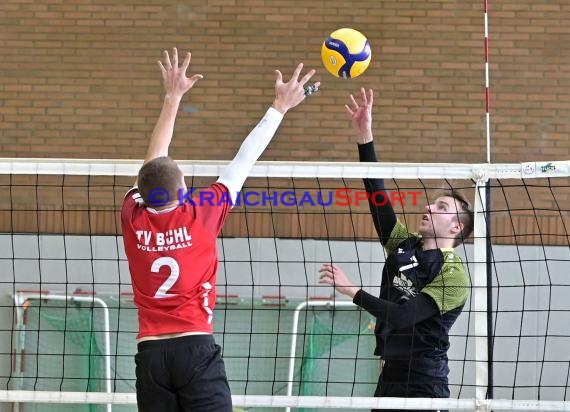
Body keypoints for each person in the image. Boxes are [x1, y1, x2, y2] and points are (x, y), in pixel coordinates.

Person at [121, 47, 319, 412]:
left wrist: (172, 97)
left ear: (143, 191)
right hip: (195, 347)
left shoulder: (133, 217)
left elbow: (153, 164)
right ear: (182, 191)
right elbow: (245, 158)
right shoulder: (201, 213)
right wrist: (279, 107)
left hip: (150, 352)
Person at [318, 88, 474, 412]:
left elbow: (405, 316)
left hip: (424, 382)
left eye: (441, 207)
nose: (430, 207)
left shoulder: (453, 273)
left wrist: (352, 291)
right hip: (390, 374)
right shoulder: (404, 243)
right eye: (433, 203)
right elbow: (377, 196)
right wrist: (365, 137)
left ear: (456, 228)